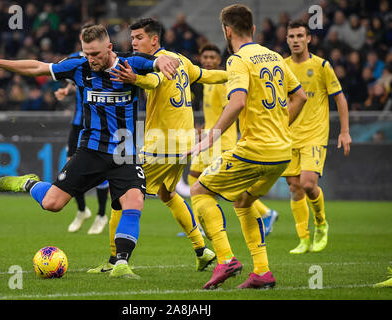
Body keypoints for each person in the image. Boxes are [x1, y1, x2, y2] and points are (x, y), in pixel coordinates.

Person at [0, 24, 180, 279]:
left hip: (123, 153)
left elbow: (156, 59)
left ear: (109, 47)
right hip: (90, 151)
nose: (91, 59)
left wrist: (163, 62)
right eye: (86, 53)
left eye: (95, 54)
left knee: (134, 201)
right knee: (52, 204)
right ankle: (29, 183)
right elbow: (38, 67)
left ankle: (121, 264)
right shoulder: (78, 66)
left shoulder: (130, 63)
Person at [89, 18, 228, 274]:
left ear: (154, 39)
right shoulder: (181, 60)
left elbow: (155, 81)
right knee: (167, 194)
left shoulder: (157, 64)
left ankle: (114, 261)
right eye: (131, 38)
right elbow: (207, 75)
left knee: (120, 194)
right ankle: (202, 250)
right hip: (183, 145)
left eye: (139, 37)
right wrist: (237, 75)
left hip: (161, 145)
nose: (133, 43)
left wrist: (134, 80)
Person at [185, 4, 307, 289]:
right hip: (281, 152)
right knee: (243, 201)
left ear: (227, 31)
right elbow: (300, 96)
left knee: (199, 190)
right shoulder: (275, 56)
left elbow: (237, 101)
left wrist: (211, 135)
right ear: (252, 28)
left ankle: (226, 260)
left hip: (255, 149)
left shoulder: (238, 60)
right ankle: (262, 272)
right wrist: (279, 125)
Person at [187, 43, 280, 237]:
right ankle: (201, 227)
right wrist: (203, 128)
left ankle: (266, 213)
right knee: (194, 175)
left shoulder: (224, 83)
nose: (209, 61)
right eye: (206, 58)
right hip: (209, 137)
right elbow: (215, 113)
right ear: (200, 59)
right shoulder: (208, 83)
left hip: (221, 140)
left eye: (213, 57)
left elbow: (232, 109)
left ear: (219, 60)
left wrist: (213, 133)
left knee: (230, 187)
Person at [284, 20, 351, 254]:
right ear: (287, 40)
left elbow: (340, 98)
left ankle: (321, 223)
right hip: (289, 135)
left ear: (308, 39)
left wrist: (344, 131)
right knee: (294, 187)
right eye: (291, 36)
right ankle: (303, 238)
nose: (295, 40)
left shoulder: (322, 66)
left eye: (300, 36)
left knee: (308, 183)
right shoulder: (282, 67)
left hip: (314, 134)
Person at [54, 22, 110, 235]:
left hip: (96, 123)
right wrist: (66, 90)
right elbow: (73, 78)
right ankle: (82, 210)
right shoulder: (78, 58)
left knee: (101, 170)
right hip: (78, 122)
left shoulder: (101, 58)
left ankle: (102, 215)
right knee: (70, 166)